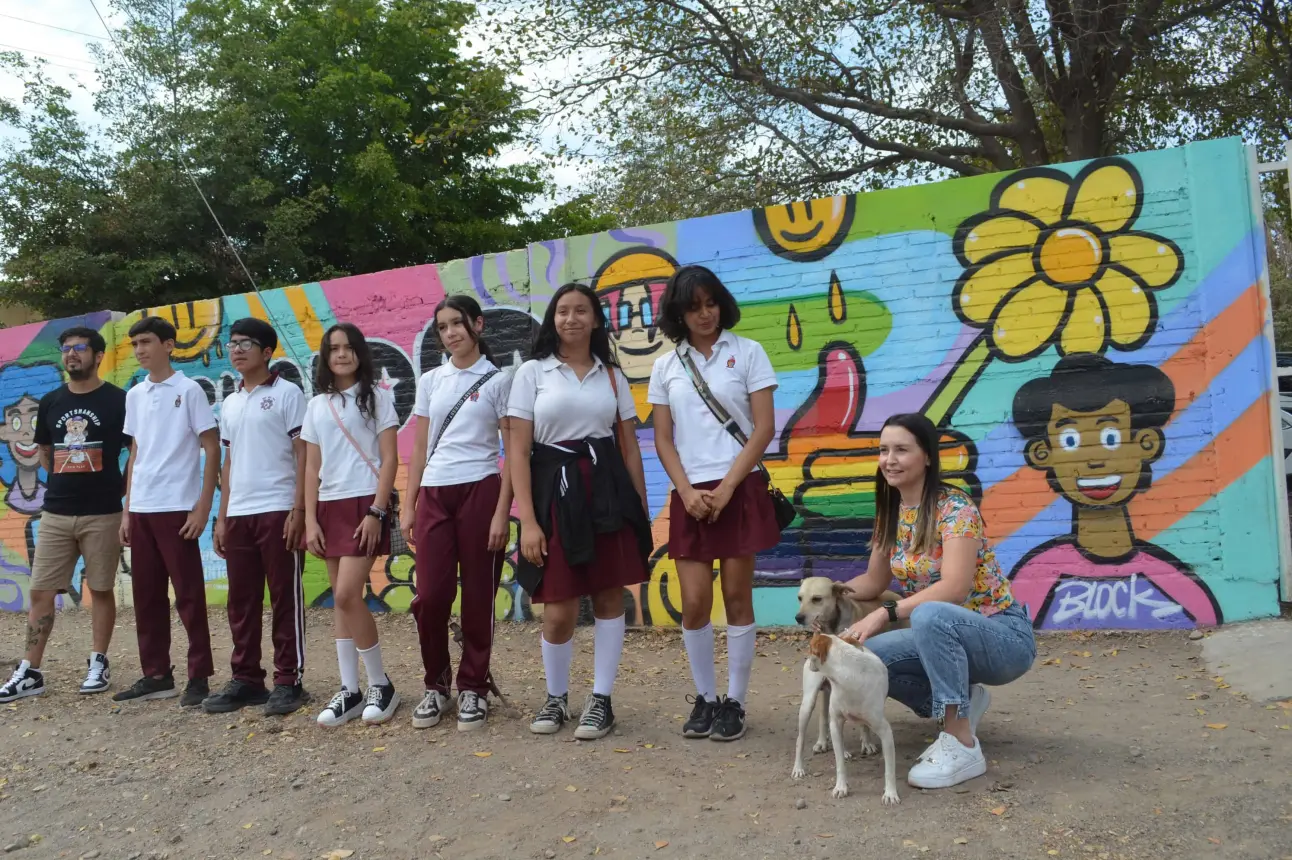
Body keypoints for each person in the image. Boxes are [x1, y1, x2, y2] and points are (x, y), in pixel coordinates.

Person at [840, 412, 1036, 790]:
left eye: (901, 449)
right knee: (863, 660)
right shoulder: (891, 513)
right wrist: (828, 597)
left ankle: (961, 743)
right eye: (883, 450)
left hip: (1001, 636)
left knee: (929, 613)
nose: (889, 459)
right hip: (939, 639)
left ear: (927, 456)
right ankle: (962, 702)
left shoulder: (955, 509)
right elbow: (874, 580)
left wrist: (886, 613)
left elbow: (954, 588)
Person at [508, 282, 652, 740]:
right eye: (563, 311)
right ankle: (556, 697)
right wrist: (527, 520)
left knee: (610, 597)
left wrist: (640, 507)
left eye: (581, 311)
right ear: (553, 319)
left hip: (607, 489)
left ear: (595, 319)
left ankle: (601, 700)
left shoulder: (612, 375)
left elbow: (629, 446)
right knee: (559, 608)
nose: (571, 319)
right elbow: (517, 450)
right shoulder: (532, 372)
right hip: (554, 491)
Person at [647, 265, 781, 742]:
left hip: (737, 488)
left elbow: (763, 428)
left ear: (721, 303)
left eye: (710, 303)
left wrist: (726, 488)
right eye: (693, 306)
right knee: (696, 602)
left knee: (737, 598)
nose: (704, 314)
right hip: (690, 493)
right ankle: (705, 698)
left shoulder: (748, 352)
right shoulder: (666, 366)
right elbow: (663, 439)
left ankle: (736, 704)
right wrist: (686, 491)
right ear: (678, 314)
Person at [403, 295, 514, 732]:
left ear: (478, 325)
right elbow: (419, 445)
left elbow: (512, 452)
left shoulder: (499, 381)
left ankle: (473, 687)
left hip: (481, 490)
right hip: (434, 493)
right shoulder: (431, 380)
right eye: (443, 327)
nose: (451, 333)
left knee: (479, 596)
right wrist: (409, 505)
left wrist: (502, 511)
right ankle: (437, 685)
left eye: (458, 324)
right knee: (430, 597)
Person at [0, 327, 128, 702]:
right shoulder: (52, 401)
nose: (71, 355)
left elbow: (133, 449)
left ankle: (98, 662)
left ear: (99, 355)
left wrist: (120, 489)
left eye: (80, 348)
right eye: (66, 349)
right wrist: (61, 481)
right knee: (41, 590)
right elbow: (43, 450)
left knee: (101, 589)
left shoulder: (118, 400)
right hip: (56, 511)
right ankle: (30, 671)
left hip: (103, 511)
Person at [205, 318, 310, 716]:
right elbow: (228, 463)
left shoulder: (288, 394)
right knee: (242, 600)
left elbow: (303, 455)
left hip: (279, 507)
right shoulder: (230, 402)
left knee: (285, 597)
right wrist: (221, 516)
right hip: (239, 513)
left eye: (246, 343)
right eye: (232, 343)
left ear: (267, 352)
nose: (236, 349)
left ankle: (289, 679)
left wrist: (299, 510)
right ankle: (247, 678)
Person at [114, 316, 220, 707]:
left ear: (169, 345)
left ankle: (199, 676)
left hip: (177, 507)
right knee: (146, 596)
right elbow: (136, 451)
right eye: (135, 344)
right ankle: (156, 674)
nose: (140, 350)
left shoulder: (189, 390)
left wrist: (202, 505)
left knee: (189, 595)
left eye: (146, 342)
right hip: (141, 507)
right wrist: (127, 510)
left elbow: (211, 446)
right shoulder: (134, 395)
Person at [302, 322, 401, 727]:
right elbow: (311, 466)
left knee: (346, 595)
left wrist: (377, 511)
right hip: (328, 505)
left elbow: (390, 459)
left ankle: (381, 684)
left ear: (360, 353)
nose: (340, 355)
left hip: (364, 504)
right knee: (338, 602)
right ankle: (350, 690)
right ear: (326, 357)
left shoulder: (378, 398)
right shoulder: (316, 406)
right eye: (333, 349)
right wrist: (309, 519)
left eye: (347, 348)